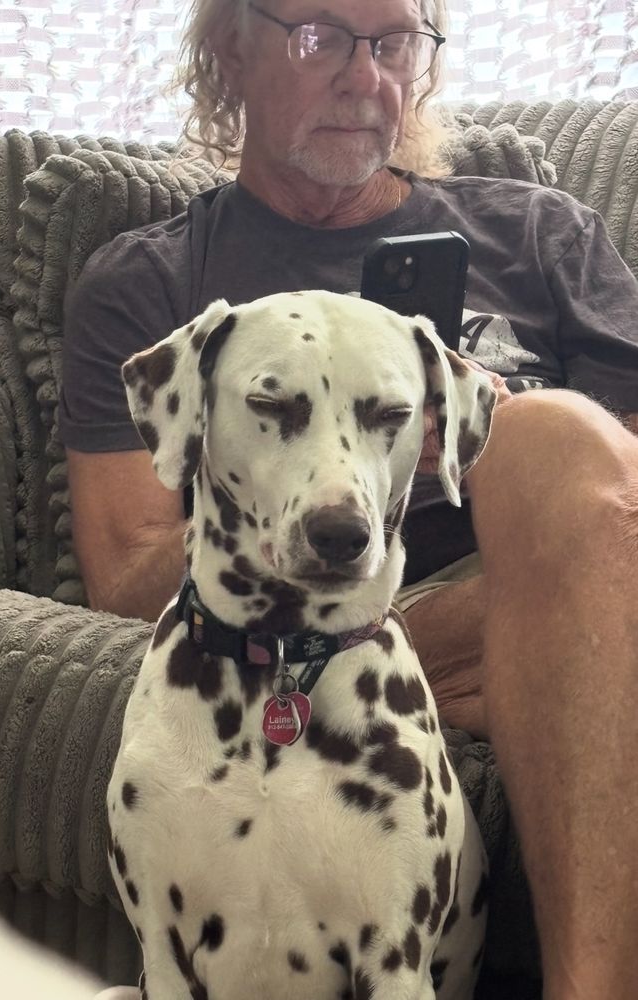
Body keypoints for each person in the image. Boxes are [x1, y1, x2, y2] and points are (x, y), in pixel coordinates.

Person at [60, 0, 638, 996]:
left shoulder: (540, 234)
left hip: (568, 558)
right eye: (320, 36)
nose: (364, 76)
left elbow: (617, 501)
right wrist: (303, 480)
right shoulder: (155, 284)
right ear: (231, 48)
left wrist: (493, 445)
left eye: (393, 42)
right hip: (358, 615)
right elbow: (125, 577)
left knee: (547, 435)